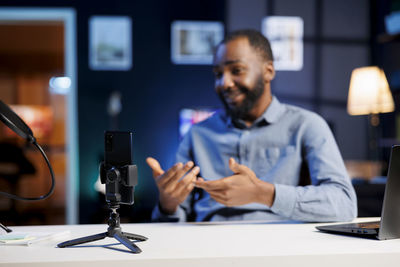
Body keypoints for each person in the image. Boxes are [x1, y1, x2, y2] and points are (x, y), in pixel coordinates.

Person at [146, 29, 357, 222]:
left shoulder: (306, 125)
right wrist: (168, 203)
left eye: (236, 70)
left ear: (268, 71)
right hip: (208, 247)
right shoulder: (198, 134)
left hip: (281, 248)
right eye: (218, 74)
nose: (224, 83)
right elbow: (171, 223)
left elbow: (344, 205)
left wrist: (262, 192)